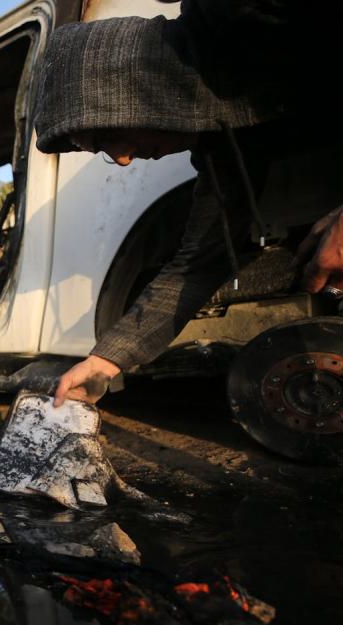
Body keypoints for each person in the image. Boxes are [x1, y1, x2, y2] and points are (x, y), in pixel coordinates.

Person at [31, 3, 343, 406]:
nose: (123, 158)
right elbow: (197, 264)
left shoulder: (236, 13)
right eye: (105, 152)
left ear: (127, 86)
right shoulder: (224, 153)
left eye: (108, 134)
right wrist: (105, 360)